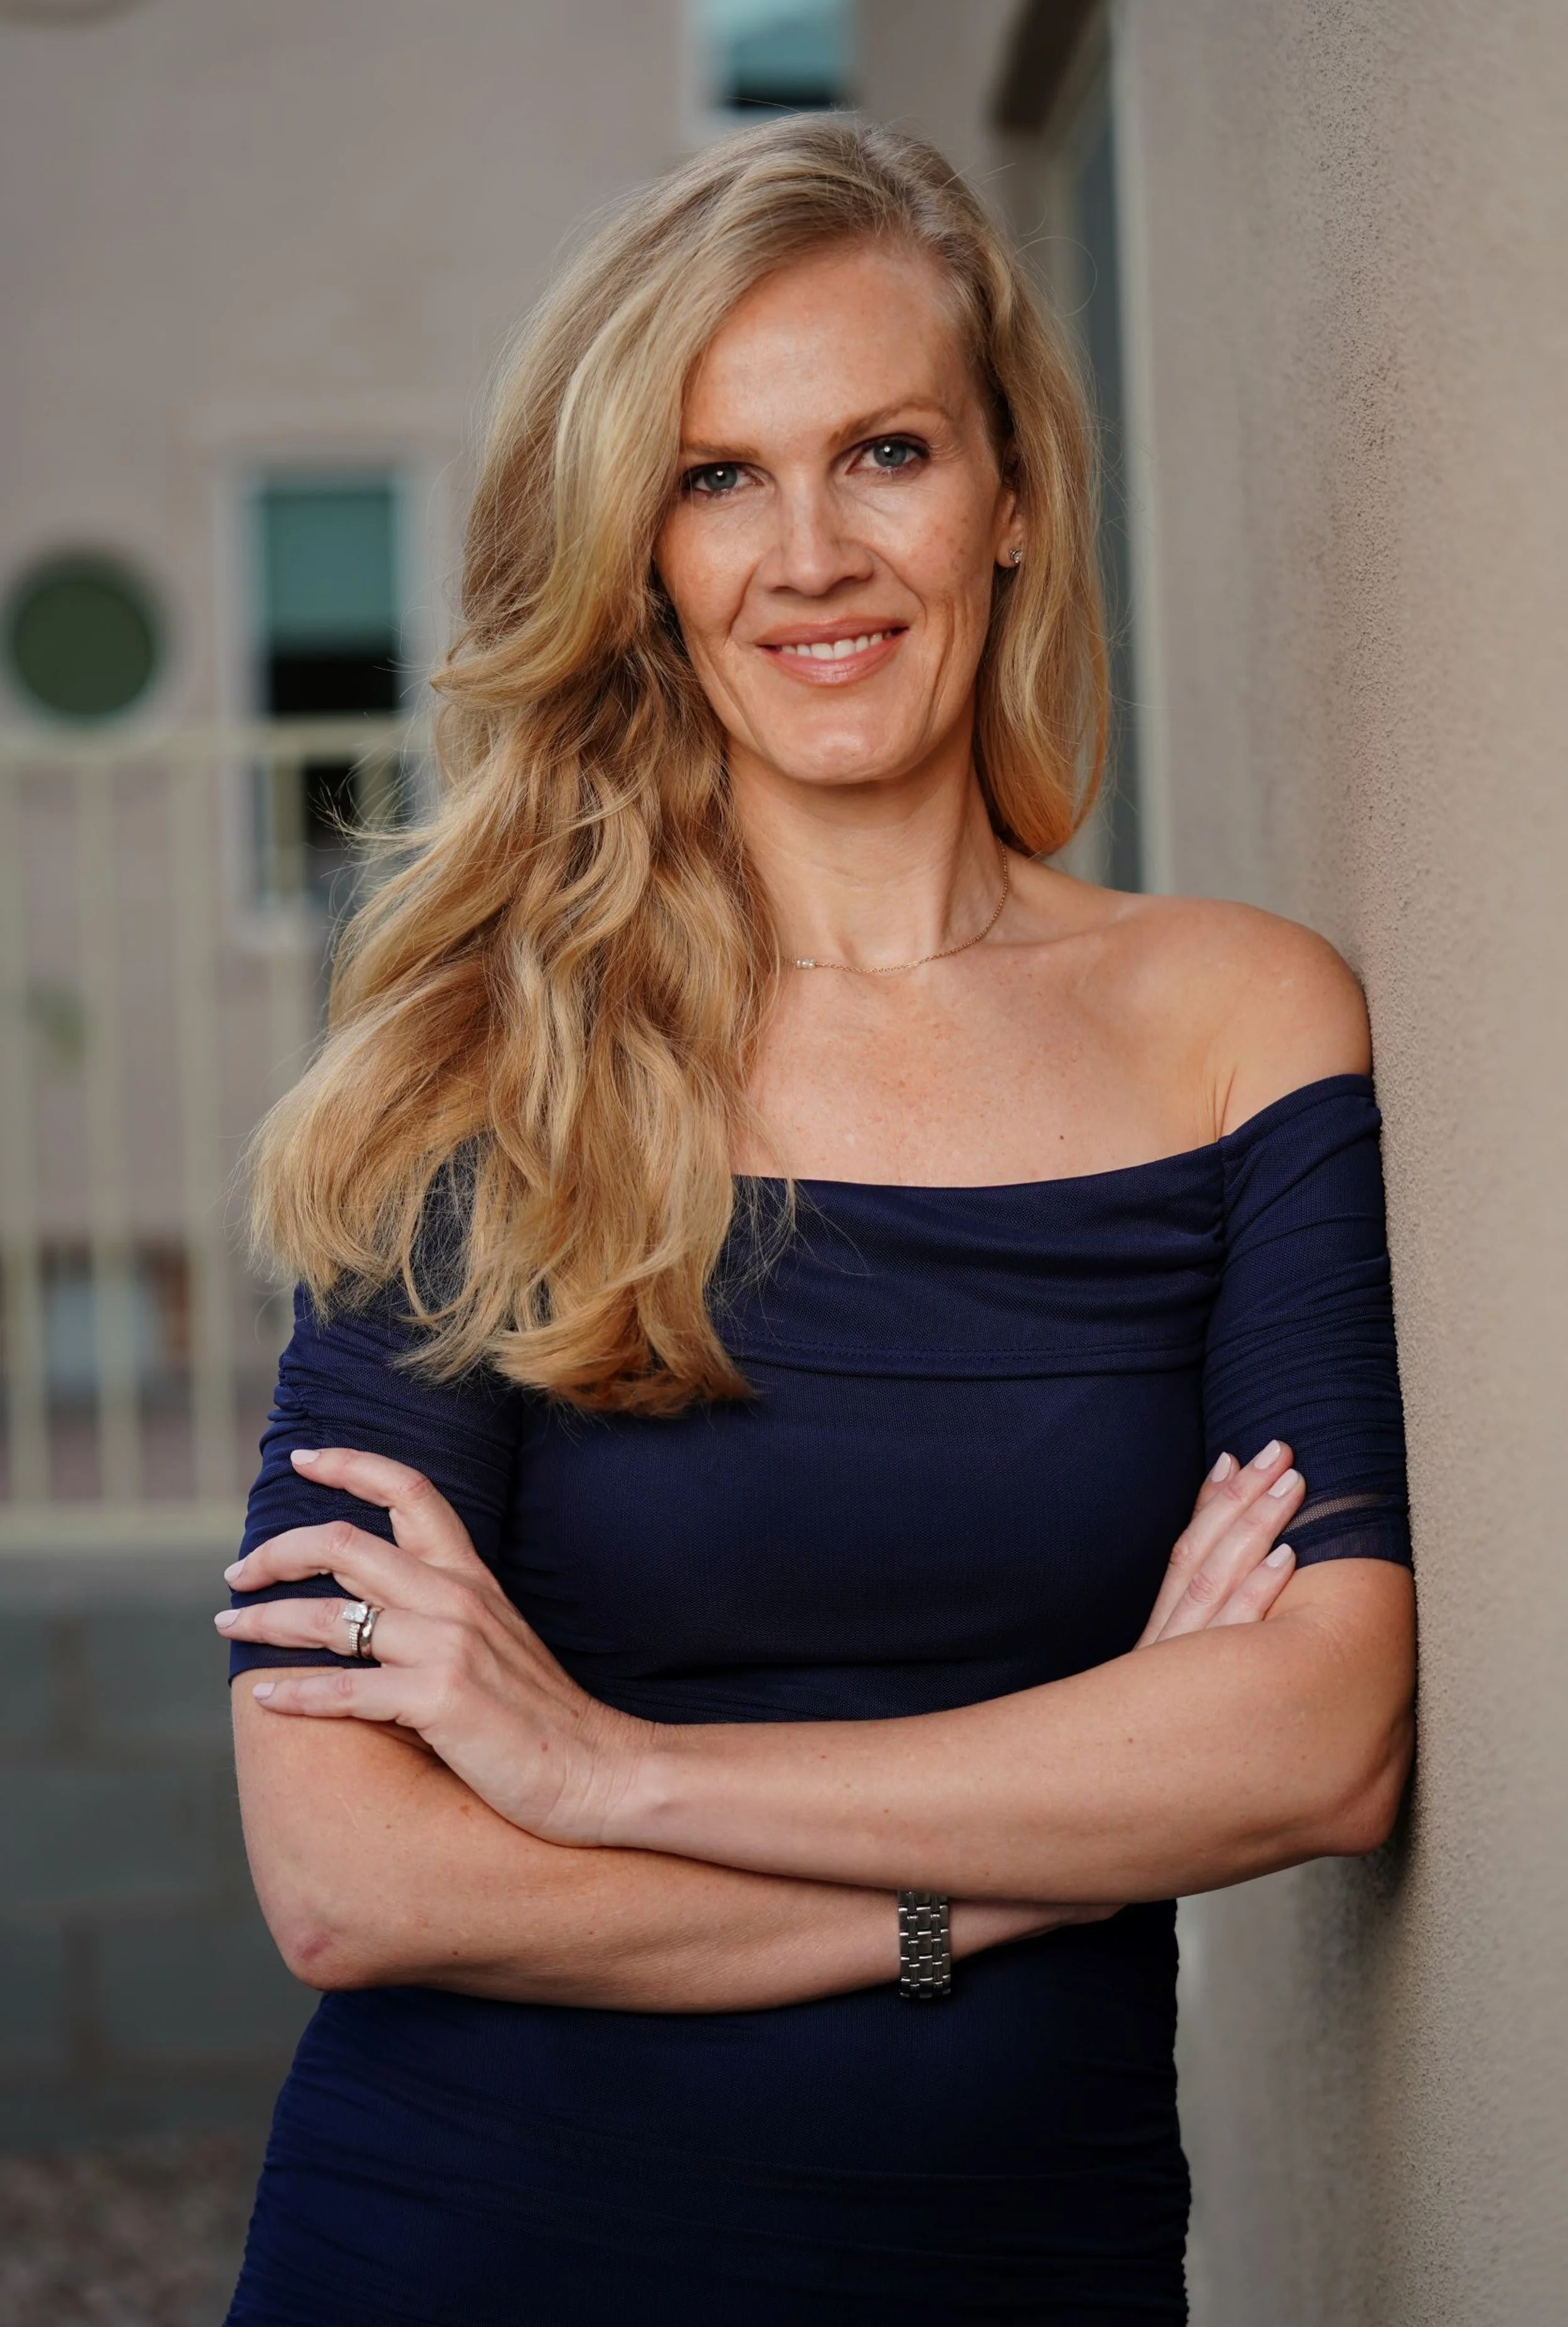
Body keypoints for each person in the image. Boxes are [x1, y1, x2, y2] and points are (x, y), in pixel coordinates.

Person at [216, 118, 1415, 2325]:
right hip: (466, 2244)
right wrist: (1033, 1857)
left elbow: (1318, 1739)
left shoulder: (1239, 1020)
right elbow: (351, 1873)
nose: (809, 555)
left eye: (882, 451)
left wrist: (607, 1771)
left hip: (1012, 2258)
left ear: (1012, 494)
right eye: (715, 476)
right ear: (639, 554)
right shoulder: (478, 1061)